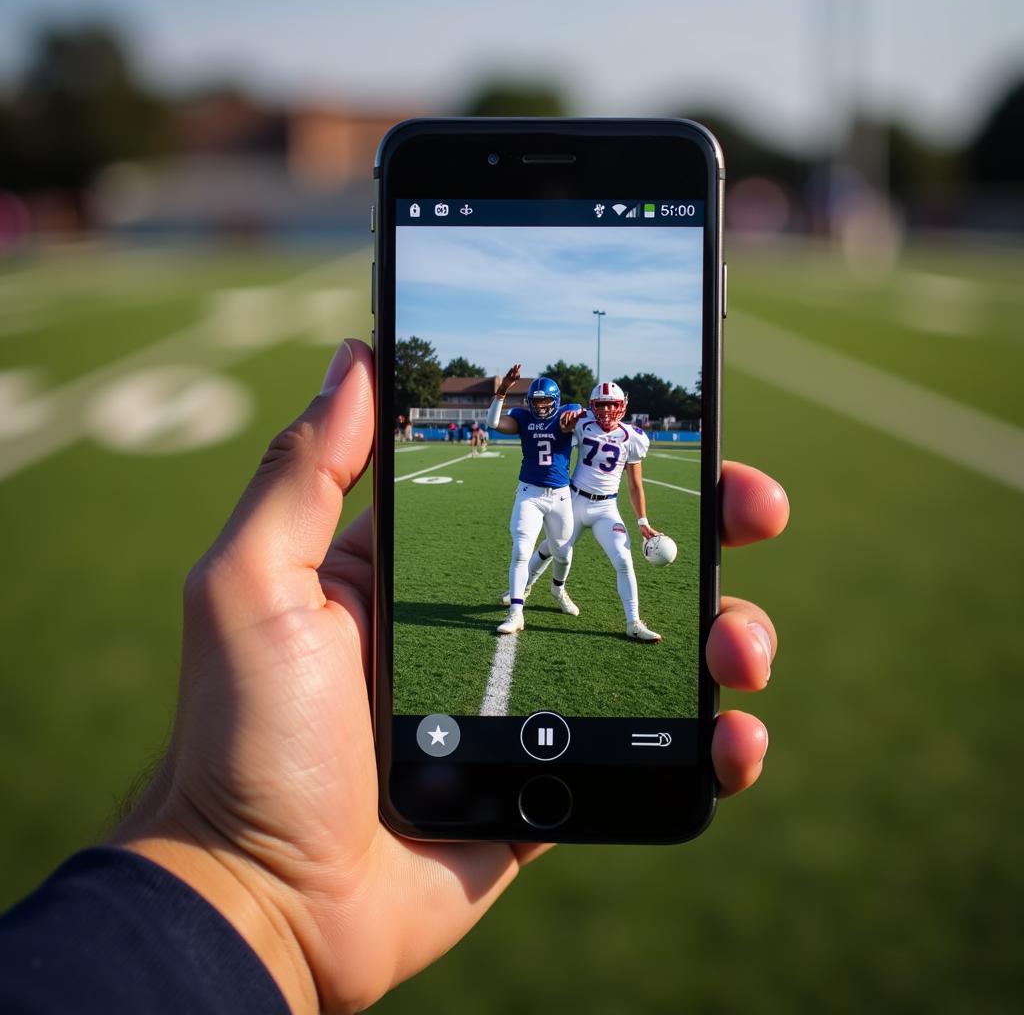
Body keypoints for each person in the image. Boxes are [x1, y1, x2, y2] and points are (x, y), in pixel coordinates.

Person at [0, 338, 789, 1014]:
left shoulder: (602, 426)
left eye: (598, 406)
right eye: (586, 404)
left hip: (584, 505)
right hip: (541, 496)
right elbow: (509, 414)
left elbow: (605, 433)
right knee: (527, 552)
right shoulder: (541, 419)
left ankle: (598, 606)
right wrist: (252, 875)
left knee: (589, 559)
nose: (594, 411)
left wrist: (252, 888)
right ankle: (522, 600)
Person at [508, 381, 663, 641]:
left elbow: (635, 486)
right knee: (556, 548)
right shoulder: (581, 422)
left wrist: (642, 521)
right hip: (574, 500)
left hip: (606, 507)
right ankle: (524, 587)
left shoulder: (633, 437)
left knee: (623, 559)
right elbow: (557, 425)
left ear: (621, 405)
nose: (606, 410)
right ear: (593, 406)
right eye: (601, 405)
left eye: (611, 404)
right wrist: (568, 417)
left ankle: (633, 622)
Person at [487, 364, 581, 634]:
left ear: (556, 402)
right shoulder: (522, 417)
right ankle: (516, 612)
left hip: (560, 496)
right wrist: (503, 389)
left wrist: (576, 417)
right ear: (529, 402)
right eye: (536, 401)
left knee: (563, 553)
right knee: (520, 551)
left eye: (545, 401)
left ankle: (558, 590)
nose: (540, 406)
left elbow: (578, 416)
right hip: (530, 493)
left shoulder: (567, 412)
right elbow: (493, 423)